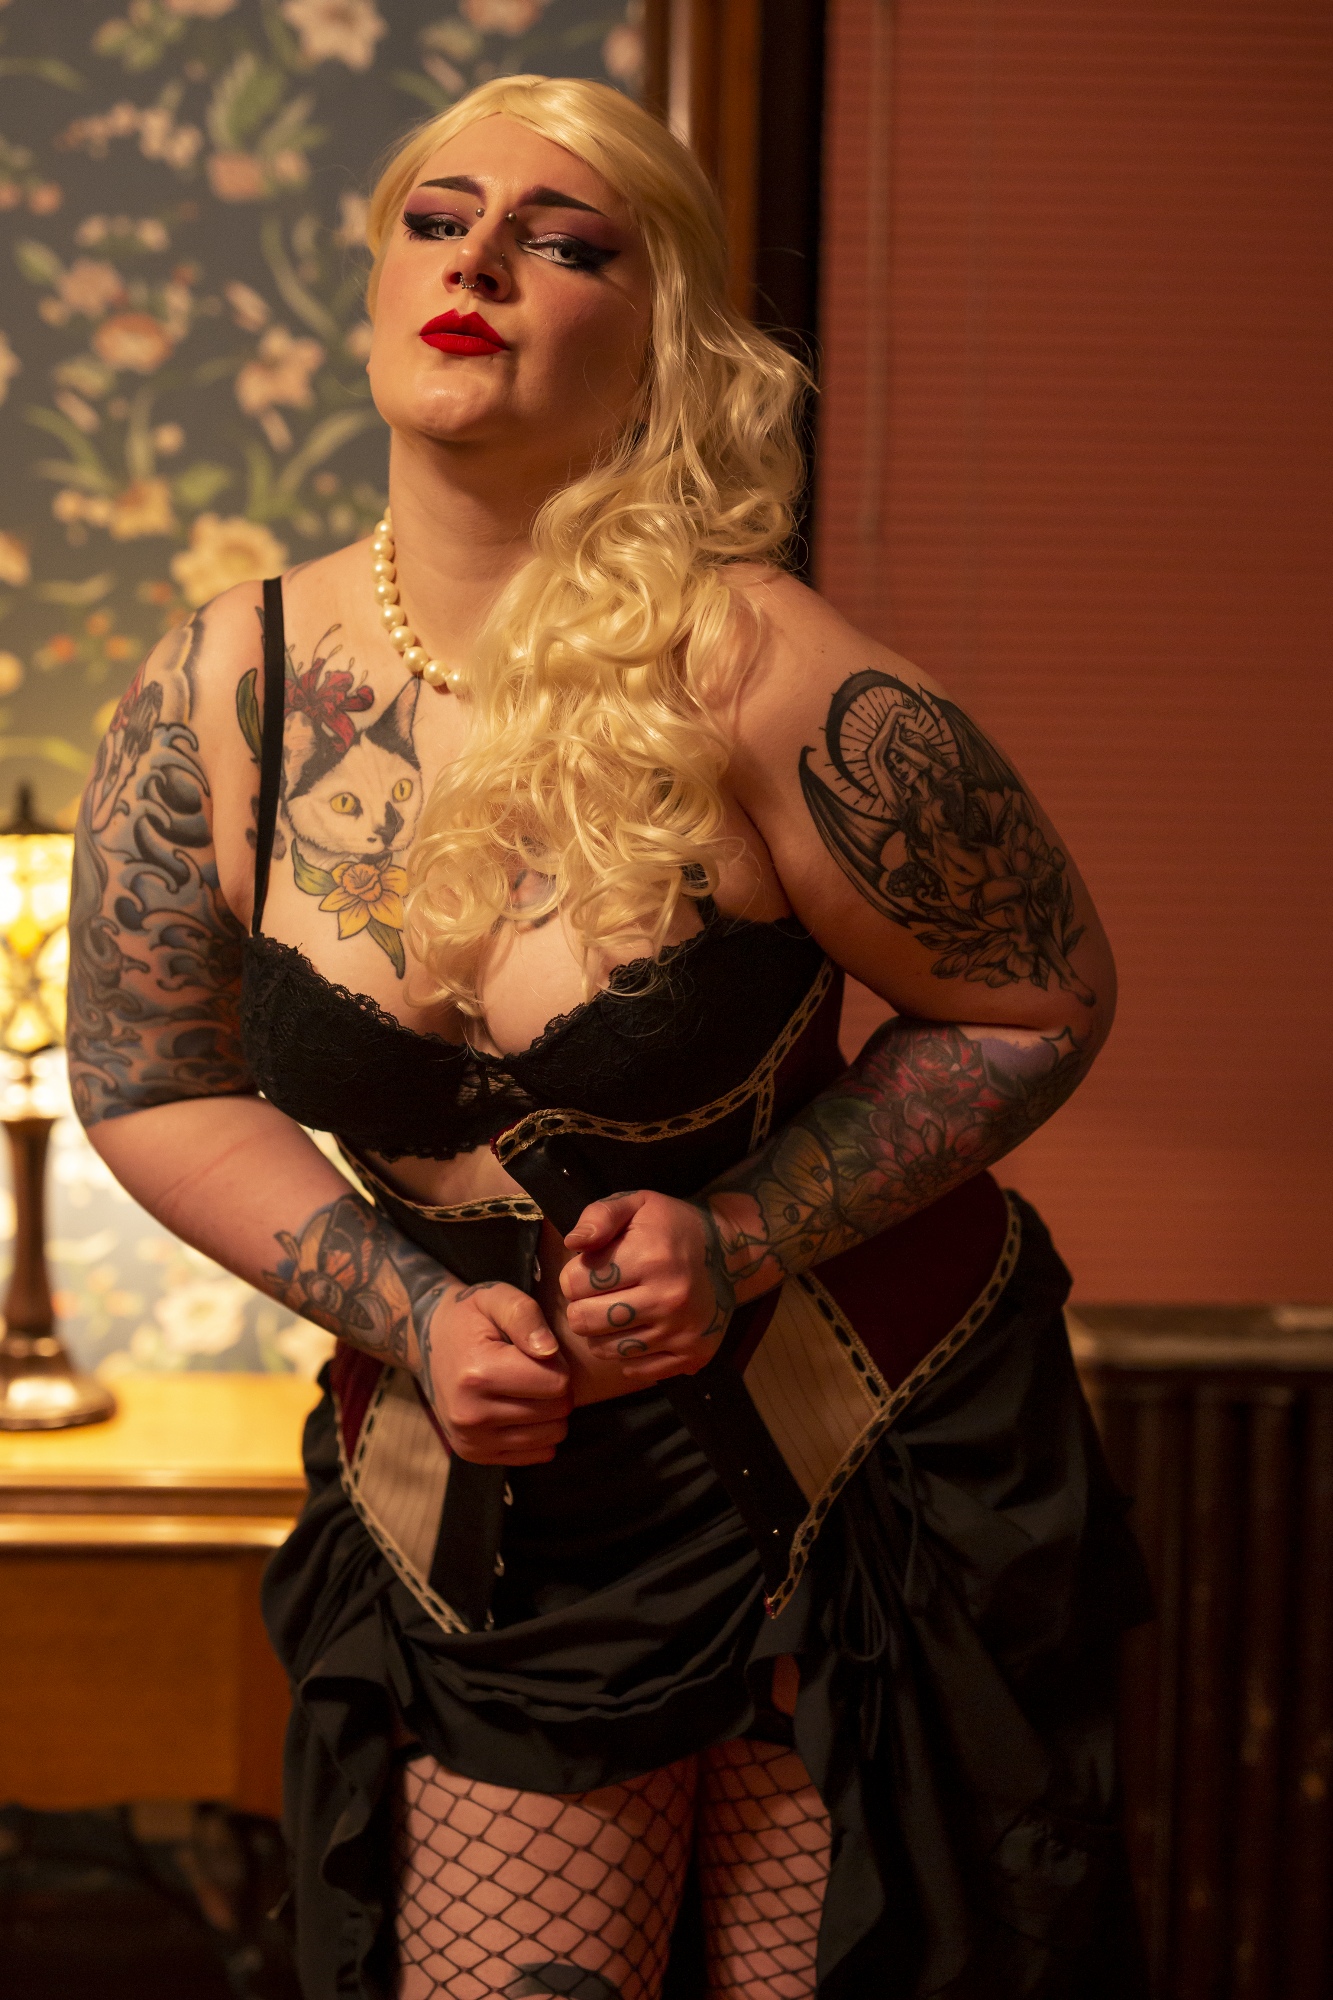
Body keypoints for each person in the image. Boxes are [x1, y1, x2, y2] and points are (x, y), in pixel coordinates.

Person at [68, 74, 1149, 2000]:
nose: (480, 259)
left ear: (659, 338)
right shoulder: (223, 688)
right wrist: (410, 1310)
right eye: (438, 219)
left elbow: (1036, 998)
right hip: (499, 1506)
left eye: (564, 243)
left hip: (852, 1465)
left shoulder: (768, 672)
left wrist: (742, 1233)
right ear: (378, 278)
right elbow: (152, 1076)